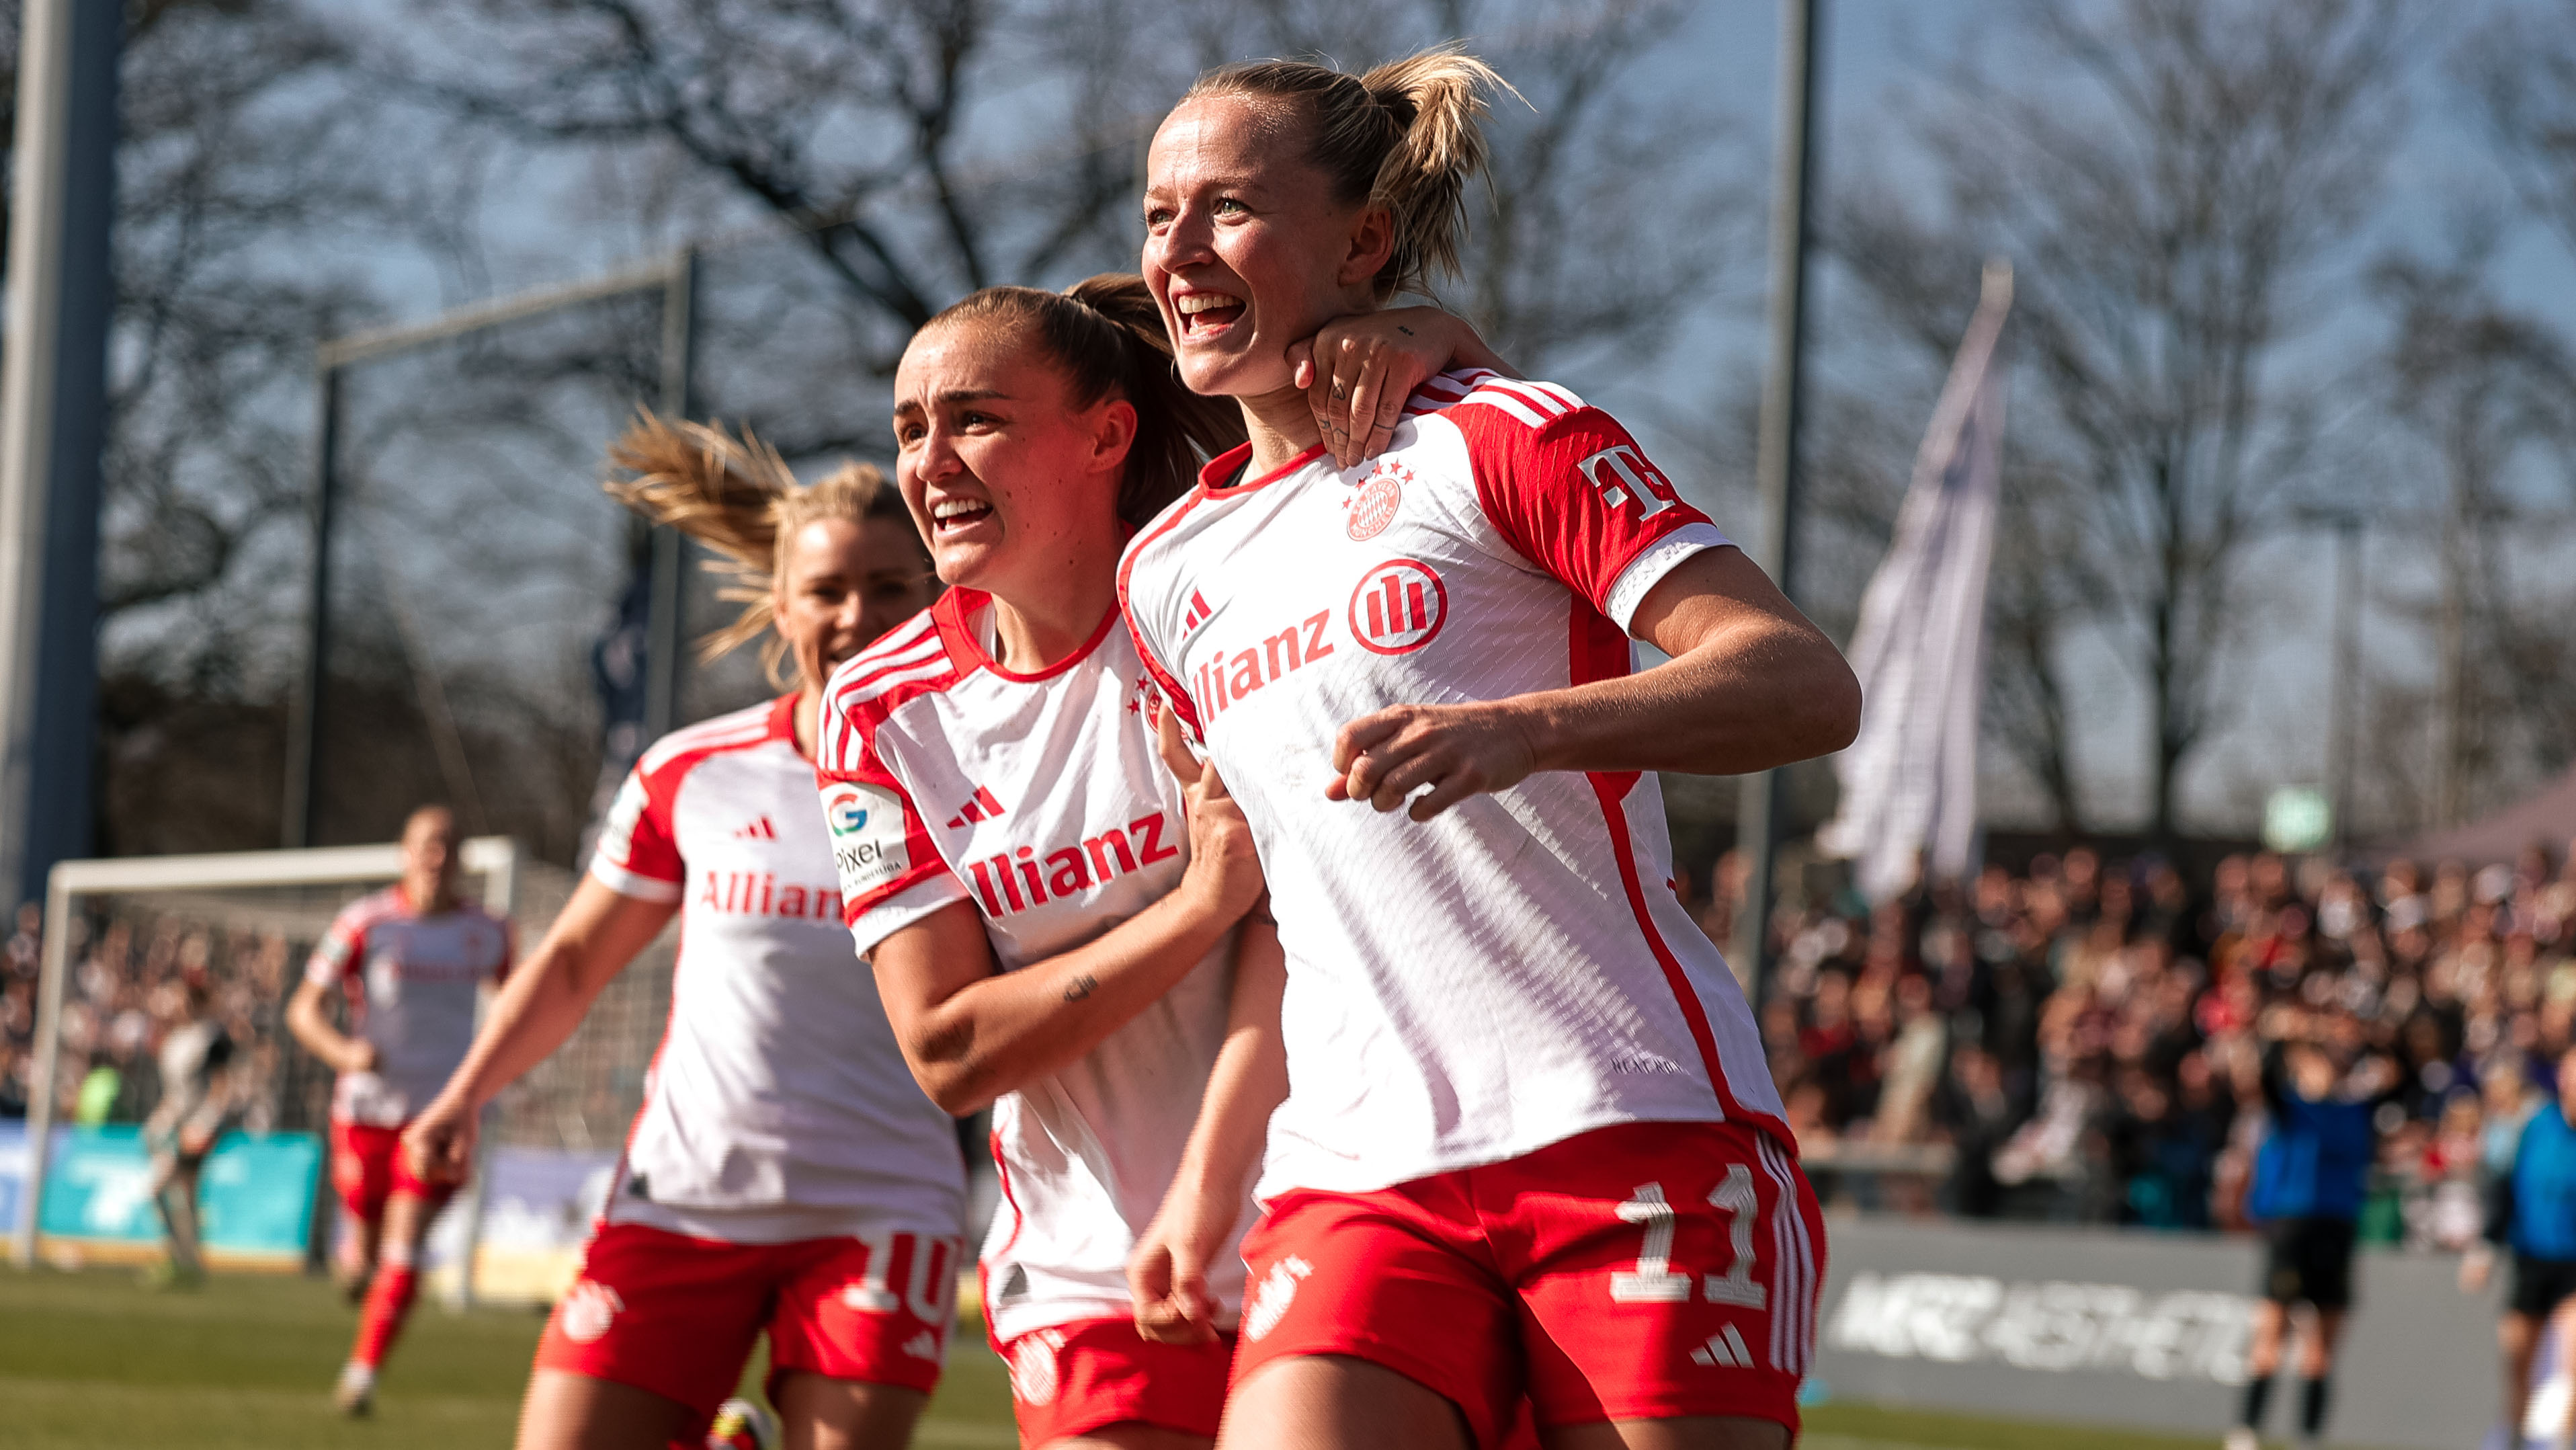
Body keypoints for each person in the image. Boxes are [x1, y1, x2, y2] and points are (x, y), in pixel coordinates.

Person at [1119, 52, 1860, 1450]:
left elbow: (1801, 683)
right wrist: (1207, 1178)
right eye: (1159, 215)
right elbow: (1299, 901)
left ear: (1361, 241)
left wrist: (1518, 731)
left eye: (1226, 208)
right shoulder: (1163, 573)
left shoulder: (1501, 435)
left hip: (1631, 1126)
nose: (1179, 250)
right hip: (1352, 1175)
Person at [815, 276, 1491, 1450]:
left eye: (974, 417)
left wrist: (1428, 330)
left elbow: (1301, 934)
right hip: (1091, 1272)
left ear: (1106, 433)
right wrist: (1193, 906)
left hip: (1342, 1213)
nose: (928, 462)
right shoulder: (877, 712)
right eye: (908, 429)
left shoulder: (1216, 608)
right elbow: (949, 1049)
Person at [401, 418, 968, 1450]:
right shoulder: (692, 772)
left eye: (891, 586)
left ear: (936, 591)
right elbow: (574, 962)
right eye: (827, 592)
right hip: (678, 1199)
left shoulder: (993, 772)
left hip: (881, 1211)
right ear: (780, 606)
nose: (858, 616)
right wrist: (464, 1092)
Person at [286, 803, 513, 1414]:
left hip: (439, 1116)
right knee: (361, 1249)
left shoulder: (490, 932)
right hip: (366, 1112)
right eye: (425, 844)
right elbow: (303, 1009)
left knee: (405, 1241)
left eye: (448, 845)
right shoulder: (365, 923)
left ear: (462, 857)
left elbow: (516, 1006)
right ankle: (355, 1259)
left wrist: (491, 1080)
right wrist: (344, 1051)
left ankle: (361, 1375)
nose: (436, 857)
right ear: (403, 853)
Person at [2226, 1012, 2395, 1450]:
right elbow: (2262, 1068)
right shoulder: (2290, 1107)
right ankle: (2245, 1432)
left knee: (2321, 1345)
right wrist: (2296, 1032)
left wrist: (2362, 1036)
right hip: (2291, 1226)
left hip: (2337, 1227)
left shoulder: (2357, 1108)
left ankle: (2308, 1437)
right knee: (2271, 1334)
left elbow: (2403, 1069)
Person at [2462, 1043, 2576, 1450]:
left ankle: (2564, 1439)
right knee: (2517, 1363)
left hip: (2573, 1267)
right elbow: (2503, 1186)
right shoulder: (2534, 1125)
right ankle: (2513, 1434)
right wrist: (2486, 1247)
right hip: (2530, 1258)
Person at [140, 969, 237, 1287]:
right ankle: (189, 1262)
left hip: (196, 1127)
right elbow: (175, 1092)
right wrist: (161, 1118)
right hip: (177, 1125)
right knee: (186, 1193)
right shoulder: (175, 1039)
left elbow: (222, 1088)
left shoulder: (211, 1037)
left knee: (162, 1187)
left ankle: (181, 1259)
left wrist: (203, 1125)